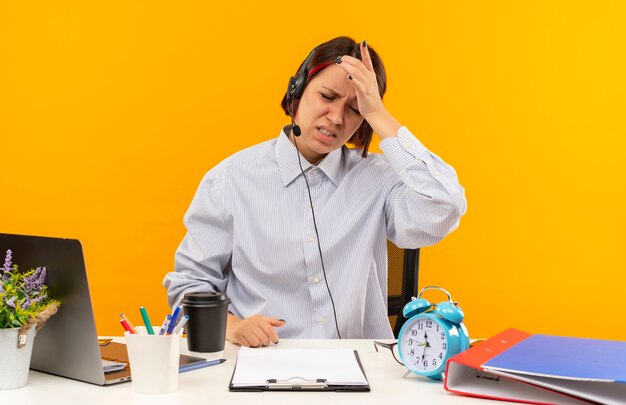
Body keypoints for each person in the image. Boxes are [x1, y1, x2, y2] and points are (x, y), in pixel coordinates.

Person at [163, 36, 466, 348]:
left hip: (361, 368)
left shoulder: (380, 178)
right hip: (260, 360)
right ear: (297, 90)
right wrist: (233, 326)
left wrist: (377, 112)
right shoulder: (230, 180)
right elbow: (189, 284)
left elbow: (445, 205)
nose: (336, 118)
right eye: (327, 96)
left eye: (354, 108)